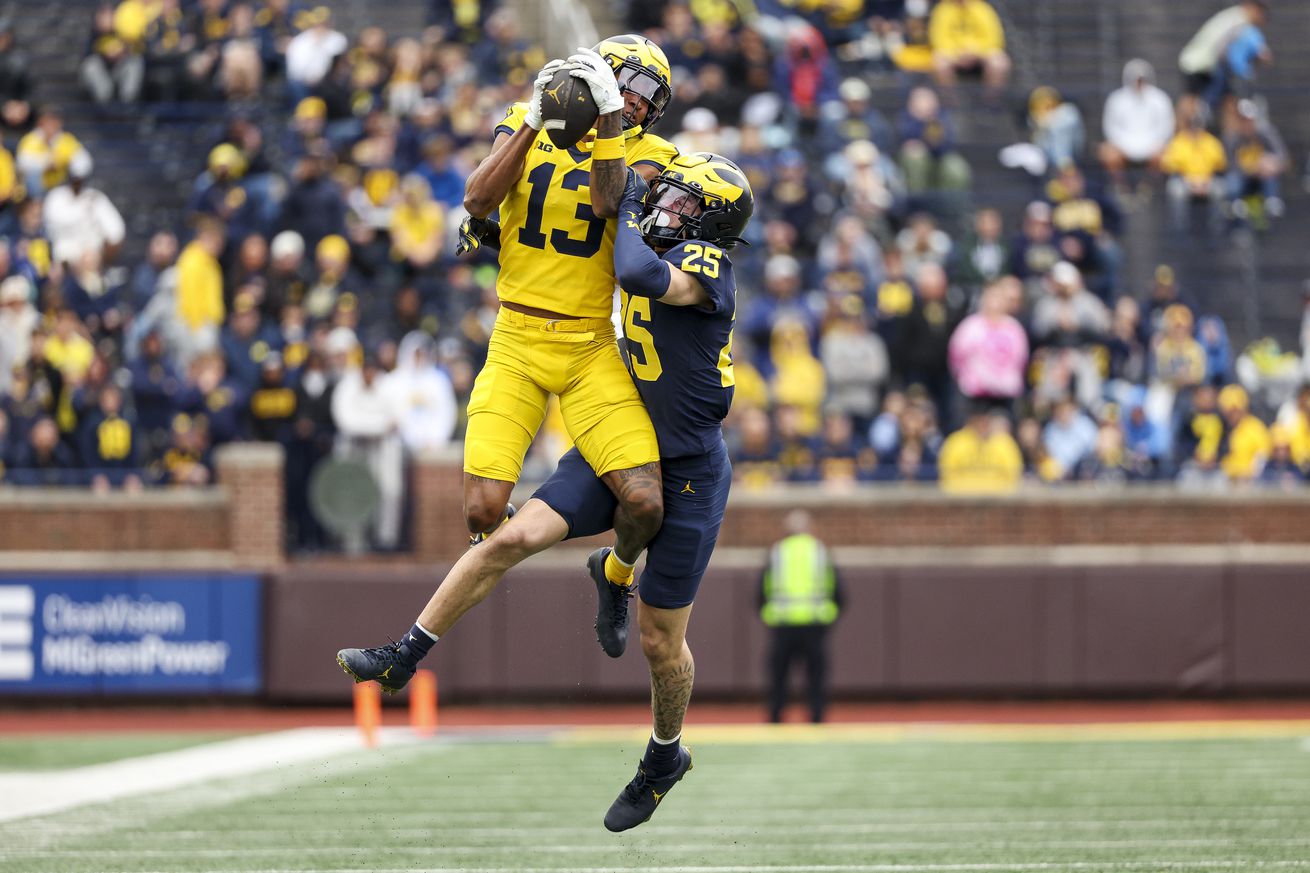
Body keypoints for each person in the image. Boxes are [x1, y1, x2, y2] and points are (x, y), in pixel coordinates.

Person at [338, 153, 753, 833]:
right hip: (620, 437)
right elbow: (557, 245)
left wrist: (621, 201)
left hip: (689, 467)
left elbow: (638, 271)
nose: (665, 203)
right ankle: (403, 653)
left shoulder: (706, 263)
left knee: (658, 640)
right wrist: (489, 225)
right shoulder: (641, 233)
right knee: (514, 534)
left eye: (681, 200)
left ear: (710, 219)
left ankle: (664, 754)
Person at [452, 36, 678, 638]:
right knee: (480, 509)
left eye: (650, 96)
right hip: (516, 337)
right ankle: (487, 592)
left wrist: (605, 119)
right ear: (603, 74)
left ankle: (617, 572)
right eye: (634, 87)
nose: (639, 104)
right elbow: (477, 198)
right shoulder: (523, 122)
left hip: (589, 344)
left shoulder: (652, 151)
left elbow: (609, 201)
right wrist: (535, 117)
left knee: (646, 504)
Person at [760, 510, 842, 725]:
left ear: (786, 530)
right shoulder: (820, 552)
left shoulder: (778, 552)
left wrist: (770, 615)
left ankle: (776, 718)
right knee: (816, 675)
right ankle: (817, 717)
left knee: (779, 676)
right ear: (809, 528)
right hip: (814, 624)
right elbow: (838, 592)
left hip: (782, 624)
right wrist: (828, 616)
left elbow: (761, 592)